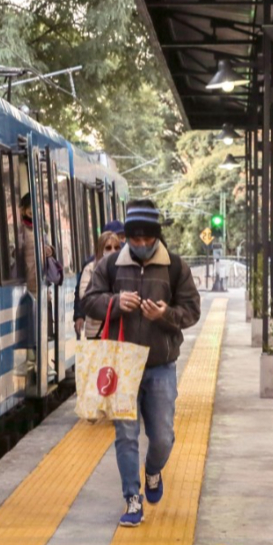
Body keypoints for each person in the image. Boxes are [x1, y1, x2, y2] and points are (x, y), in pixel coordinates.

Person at [80, 200, 201, 527]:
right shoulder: (110, 266)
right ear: (128, 237)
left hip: (161, 364)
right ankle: (132, 497)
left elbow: (191, 310)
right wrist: (116, 302)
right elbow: (89, 301)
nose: (142, 245)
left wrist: (166, 315)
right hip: (122, 365)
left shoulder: (175, 267)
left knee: (162, 436)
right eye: (136, 239)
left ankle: (153, 471)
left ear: (157, 237)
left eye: (149, 239)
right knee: (126, 435)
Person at [73, 219, 126, 333]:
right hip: (96, 331)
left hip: (120, 330)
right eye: (108, 247)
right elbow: (83, 294)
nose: (113, 251)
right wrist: (79, 315)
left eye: (122, 238)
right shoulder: (90, 267)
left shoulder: (127, 266)